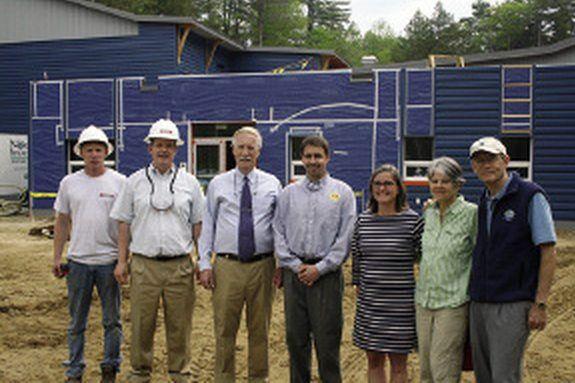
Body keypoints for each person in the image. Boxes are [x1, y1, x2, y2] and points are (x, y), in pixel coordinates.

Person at [110, 119, 205, 383]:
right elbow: (123, 223)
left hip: (180, 266)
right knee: (142, 323)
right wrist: (122, 261)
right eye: (159, 145)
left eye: (169, 146)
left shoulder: (190, 183)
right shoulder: (134, 183)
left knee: (180, 325)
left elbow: (198, 225)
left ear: (176, 150)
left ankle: (180, 373)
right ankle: (140, 373)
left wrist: (202, 260)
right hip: (143, 265)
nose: (164, 150)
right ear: (150, 148)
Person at [469, 137, 557, 383]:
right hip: (481, 301)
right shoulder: (484, 199)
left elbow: (548, 251)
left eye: (491, 159)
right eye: (479, 161)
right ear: (474, 167)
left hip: (512, 302)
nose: (486, 165)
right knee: (484, 375)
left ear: (505, 160)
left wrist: (540, 303)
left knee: (504, 375)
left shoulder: (530, 196)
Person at [197, 126, 282, 383]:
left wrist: (280, 264)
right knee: (224, 330)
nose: (245, 152)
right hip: (227, 267)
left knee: (260, 330)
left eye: (251, 148)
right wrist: (204, 264)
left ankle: (259, 378)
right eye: (241, 147)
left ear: (259, 152)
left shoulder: (272, 184)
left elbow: (279, 226)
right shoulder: (217, 184)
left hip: (262, 266)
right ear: (233, 150)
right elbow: (207, 224)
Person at [274, 136, 356, 383]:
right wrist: (296, 266)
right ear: (301, 159)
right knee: (295, 339)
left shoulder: (342, 193)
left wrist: (319, 268)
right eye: (308, 156)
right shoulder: (288, 194)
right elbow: (278, 232)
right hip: (294, 275)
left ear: (327, 158)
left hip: (327, 276)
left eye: (318, 156)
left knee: (327, 339)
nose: (313, 161)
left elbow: (345, 238)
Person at [53, 125, 125, 383]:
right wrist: (57, 257)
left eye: (98, 149)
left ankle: (110, 367)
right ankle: (74, 370)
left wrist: (123, 260)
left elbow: (124, 224)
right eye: (89, 150)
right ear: (80, 153)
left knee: (112, 321)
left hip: (109, 263)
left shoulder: (119, 182)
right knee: (76, 323)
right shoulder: (69, 183)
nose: (94, 154)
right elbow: (61, 222)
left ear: (106, 152)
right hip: (78, 264)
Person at [351, 164, 423, 383]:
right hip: (371, 304)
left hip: (400, 306)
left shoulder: (413, 221)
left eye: (388, 183)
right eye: (378, 184)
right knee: (374, 362)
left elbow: (425, 257)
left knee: (399, 365)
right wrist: (358, 284)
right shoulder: (363, 221)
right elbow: (357, 257)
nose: (382, 188)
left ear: (399, 188)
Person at [415, 157, 478, 383]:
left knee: (444, 368)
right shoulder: (429, 212)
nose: (439, 186)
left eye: (445, 181)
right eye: (434, 181)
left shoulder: (471, 214)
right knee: (425, 370)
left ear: (457, 184)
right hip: (424, 301)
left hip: (453, 303)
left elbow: (480, 254)